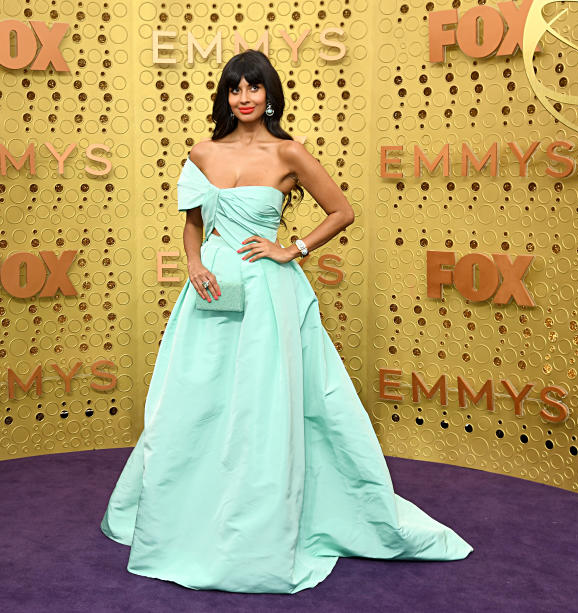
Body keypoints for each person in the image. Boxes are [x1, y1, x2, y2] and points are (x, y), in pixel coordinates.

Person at [100, 50, 472, 593]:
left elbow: (342, 212)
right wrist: (194, 264)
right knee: (197, 401)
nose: (244, 97)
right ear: (225, 97)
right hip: (210, 292)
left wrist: (291, 249)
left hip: (271, 294)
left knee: (266, 403)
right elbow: (193, 224)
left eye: (254, 88)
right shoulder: (201, 152)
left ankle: (268, 518)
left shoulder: (289, 152)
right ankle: (190, 514)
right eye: (234, 89)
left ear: (270, 94)